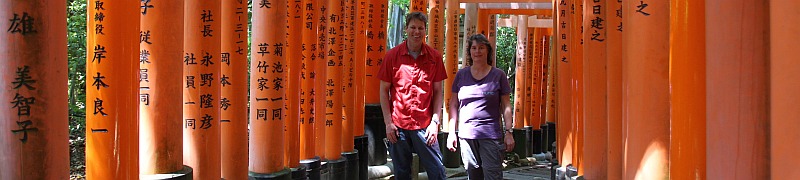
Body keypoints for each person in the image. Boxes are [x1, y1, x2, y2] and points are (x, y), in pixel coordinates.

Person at [378, 11, 447, 180]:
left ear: (425, 31)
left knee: (437, 170)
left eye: (421, 28)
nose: (417, 32)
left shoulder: (435, 57)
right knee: (402, 173)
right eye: (413, 27)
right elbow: (383, 90)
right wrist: (388, 123)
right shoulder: (392, 56)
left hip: (424, 124)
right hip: (398, 126)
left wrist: (435, 122)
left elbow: (438, 91)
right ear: (406, 29)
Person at [446, 34, 515, 180]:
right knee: (473, 175)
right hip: (466, 134)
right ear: (470, 52)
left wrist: (509, 132)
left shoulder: (498, 75)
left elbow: (506, 105)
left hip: (490, 134)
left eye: (481, 48)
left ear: (488, 51)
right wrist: (451, 132)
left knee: (492, 174)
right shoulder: (461, 75)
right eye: (474, 48)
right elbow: (453, 104)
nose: (477, 51)